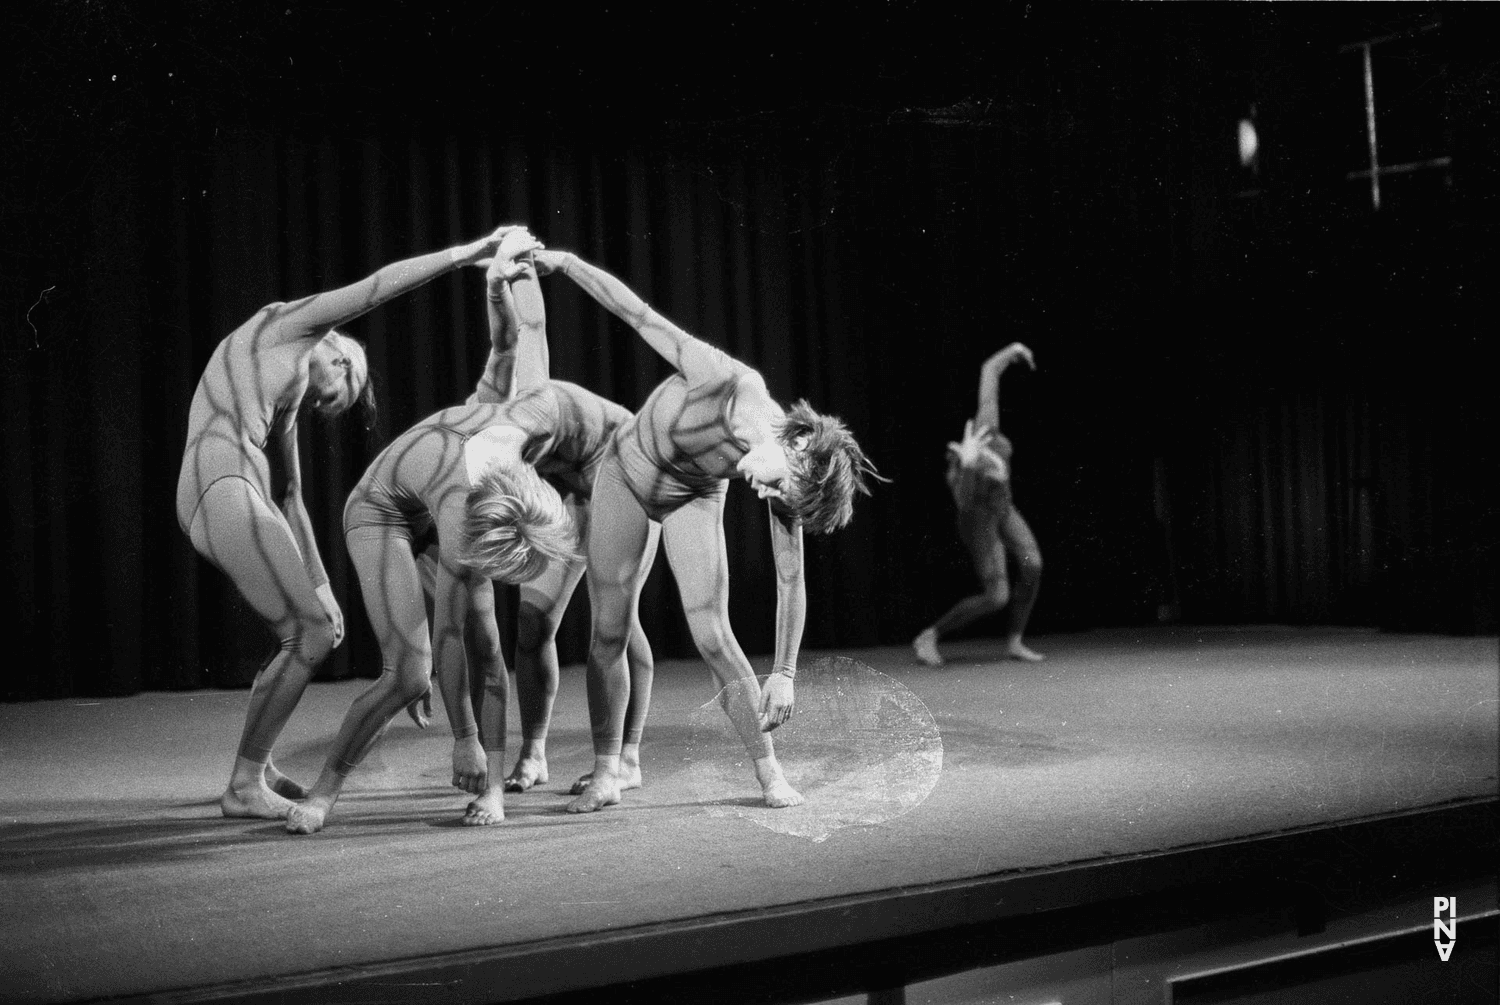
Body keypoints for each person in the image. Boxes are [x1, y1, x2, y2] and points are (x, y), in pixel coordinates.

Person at [286, 239, 656, 834]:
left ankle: (497, 783)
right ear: (493, 529)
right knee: (409, 671)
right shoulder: (466, 520)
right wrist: (464, 739)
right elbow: (454, 634)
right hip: (379, 512)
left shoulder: (508, 422)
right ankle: (324, 792)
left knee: (492, 645)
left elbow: (508, 341)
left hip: (446, 505)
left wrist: (496, 287)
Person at [176, 223, 518, 820]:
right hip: (219, 476)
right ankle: (242, 783)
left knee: (315, 627)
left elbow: (290, 494)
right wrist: (466, 253)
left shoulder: (285, 389)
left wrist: (323, 585)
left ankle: (260, 764)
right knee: (306, 635)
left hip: (231, 487)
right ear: (337, 353)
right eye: (339, 391)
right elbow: (377, 287)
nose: (325, 405)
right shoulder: (288, 325)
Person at [528, 248, 883, 814]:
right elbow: (637, 314)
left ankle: (769, 773)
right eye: (778, 489)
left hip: (694, 492)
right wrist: (567, 264)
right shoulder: (726, 380)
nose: (768, 500)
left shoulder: (782, 475)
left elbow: (791, 579)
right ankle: (606, 771)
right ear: (793, 447)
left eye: (779, 499)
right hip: (627, 476)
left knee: (714, 633)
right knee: (608, 632)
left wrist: (786, 674)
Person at [912, 342, 1044, 667]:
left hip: (1004, 509)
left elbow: (989, 374)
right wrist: (970, 467)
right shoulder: (962, 477)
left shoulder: (988, 432)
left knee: (1032, 565)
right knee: (996, 596)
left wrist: (1012, 351)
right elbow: (968, 507)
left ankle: (1014, 640)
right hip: (979, 522)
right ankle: (930, 635)